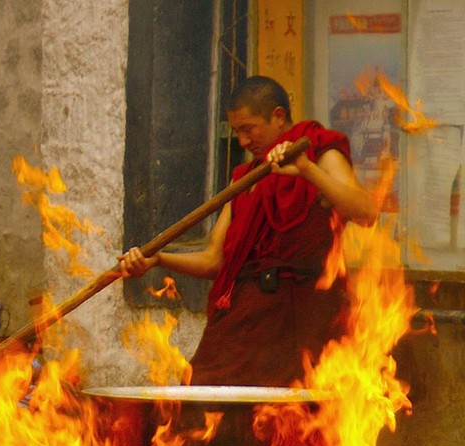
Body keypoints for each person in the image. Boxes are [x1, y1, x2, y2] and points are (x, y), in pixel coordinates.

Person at [119, 75, 377, 388]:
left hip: (305, 313)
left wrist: (307, 170)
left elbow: (365, 212)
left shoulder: (319, 151)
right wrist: (157, 259)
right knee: (202, 396)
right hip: (248, 318)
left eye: (248, 128)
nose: (242, 141)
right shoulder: (246, 177)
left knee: (304, 418)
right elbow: (214, 260)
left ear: (278, 116)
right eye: (236, 131)